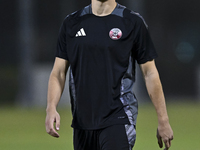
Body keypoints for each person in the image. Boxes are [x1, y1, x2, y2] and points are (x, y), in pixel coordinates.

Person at [45, 0, 174, 150]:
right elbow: (58, 72)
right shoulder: (72, 23)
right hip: (82, 123)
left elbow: (150, 73)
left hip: (119, 117)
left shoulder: (132, 22)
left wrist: (163, 120)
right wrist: (51, 108)